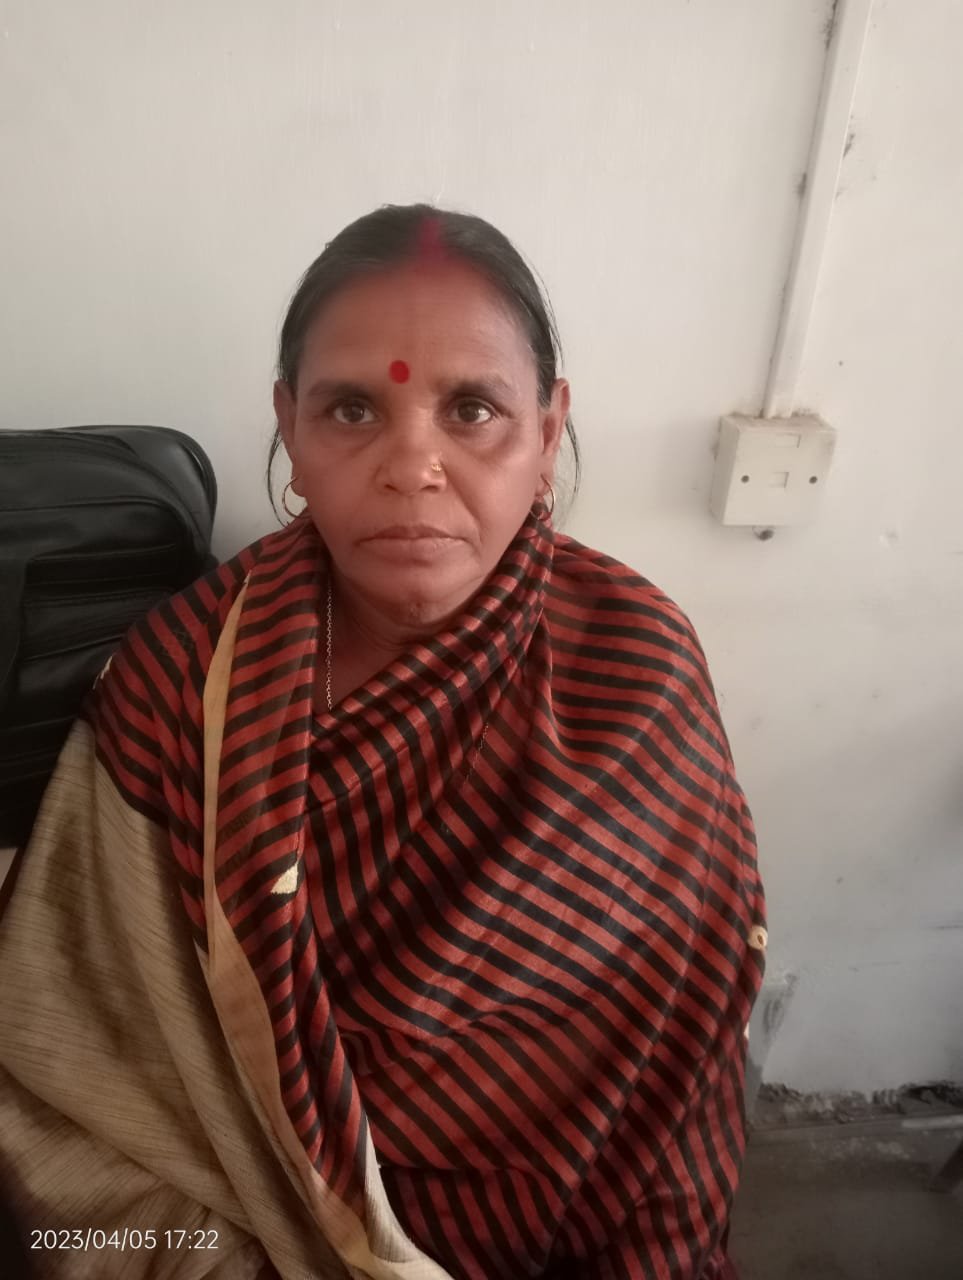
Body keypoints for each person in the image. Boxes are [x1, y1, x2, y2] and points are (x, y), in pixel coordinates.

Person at [0, 203, 766, 1279]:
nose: (414, 466)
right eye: (353, 408)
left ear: (548, 432)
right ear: (290, 426)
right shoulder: (185, 678)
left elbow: (677, 1059)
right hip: (257, 1213)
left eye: (472, 409)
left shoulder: (636, 671)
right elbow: (77, 1050)